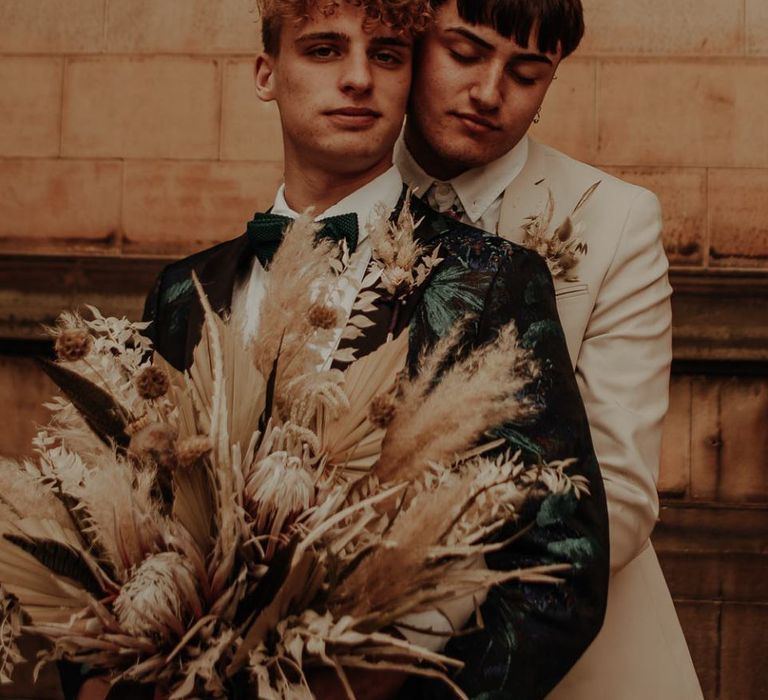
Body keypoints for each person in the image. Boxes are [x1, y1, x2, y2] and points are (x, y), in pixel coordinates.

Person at [70, 1, 608, 698]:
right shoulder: (182, 290)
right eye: (324, 50)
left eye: (385, 55)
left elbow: (561, 562)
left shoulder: (491, 282)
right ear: (267, 74)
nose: (358, 78)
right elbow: (109, 522)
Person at [394, 1, 703, 698]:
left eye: (527, 73)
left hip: (573, 653)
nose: (489, 92)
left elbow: (619, 490)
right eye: (465, 53)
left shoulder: (618, 218)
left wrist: (424, 622)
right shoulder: (340, 183)